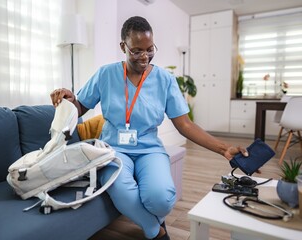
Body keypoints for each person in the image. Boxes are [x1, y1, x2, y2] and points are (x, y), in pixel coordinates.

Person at [50, 16, 248, 240]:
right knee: (119, 187)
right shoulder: (106, 74)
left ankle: (154, 219)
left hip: (149, 149)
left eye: (150, 49)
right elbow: (81, 106)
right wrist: (68, 99)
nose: (144, 56)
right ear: (123, 46)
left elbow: (185, 124)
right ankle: (156, 230)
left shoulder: (165, 79)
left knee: (161, 199)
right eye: (136, 50)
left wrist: (223, 149)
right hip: (114, 150)